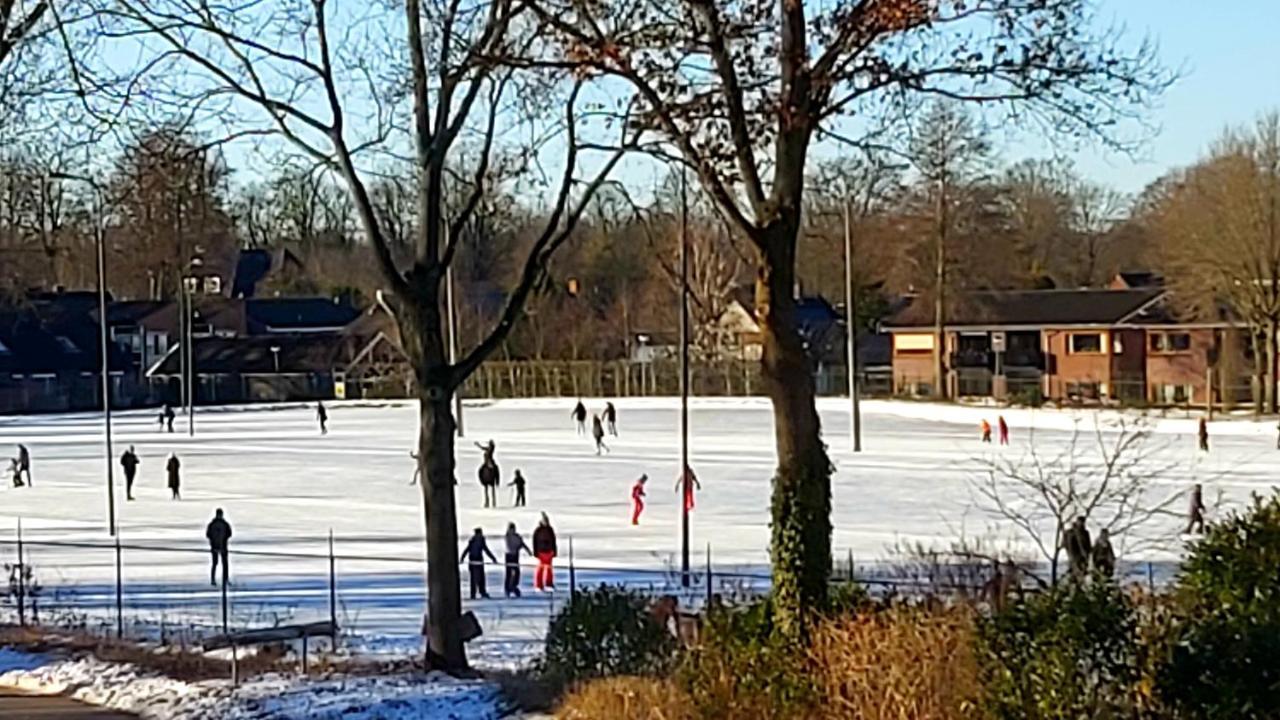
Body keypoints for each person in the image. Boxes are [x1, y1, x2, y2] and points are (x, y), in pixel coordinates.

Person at [460, 527, 497, 600]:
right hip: (475, 560)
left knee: (477, 577)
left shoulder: (474, 540)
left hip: (475, 560)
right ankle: (479, 592)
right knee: (477, 577)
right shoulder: (477, 540)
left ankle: (477, 592)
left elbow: (467, 550)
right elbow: (486, 550)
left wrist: (462, 558)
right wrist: (493, 558)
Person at [503, 522, 532, 598]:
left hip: (515, 556)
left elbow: (522, 544)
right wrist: (516, 548)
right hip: (509, 555)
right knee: (509, 573)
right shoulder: (507, 536)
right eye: (511, 529)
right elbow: (509, 546)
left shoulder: (517, 536)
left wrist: (528, 550)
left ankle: (514, 587)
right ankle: (507, 589)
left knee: (517, 573)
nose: (512, 530)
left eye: (513, 528)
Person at [206, 508, 233, 587]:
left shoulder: (212, 524)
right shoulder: (225, 524)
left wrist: (213, 540)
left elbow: (208, 534)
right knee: (224, 564)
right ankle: (225, 579)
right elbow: (229, 533)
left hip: (214, 546)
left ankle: (213, 579)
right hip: (223, 546)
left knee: (215, 563)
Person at [532, 513, 557, 591]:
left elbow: (553, 540)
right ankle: (539, 585)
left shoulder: (550, 529)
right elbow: (534, 541)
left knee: (549, 568)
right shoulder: (538, 530)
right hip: (541, 551)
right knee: (541, 568)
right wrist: (535, 551)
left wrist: (554, 550)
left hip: (549, 551)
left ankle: (549, 583)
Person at [1064, 516, 1092, 580]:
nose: (1081, 523)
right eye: (1079, 522)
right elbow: (1066, 544)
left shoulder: (1085, 533)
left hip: (1083, 557)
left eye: (1082, 522)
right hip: (1074, 556)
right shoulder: (1070, 532)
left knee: (1082, 573)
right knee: (1074, 573)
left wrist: (1087, 554)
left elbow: (1088, 545)